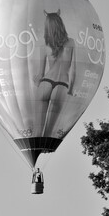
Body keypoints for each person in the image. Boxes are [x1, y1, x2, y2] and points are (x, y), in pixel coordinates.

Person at [33, 9, 76, 137]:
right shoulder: (71, 42)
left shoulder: (44, 45)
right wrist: (71, 89)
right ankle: (45, 147)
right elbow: (74, 70)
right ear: (60, 24)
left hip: (45, 83)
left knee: (37, 131)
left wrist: (35, 80)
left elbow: (40, 74)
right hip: (62, 84)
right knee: (48, 133)